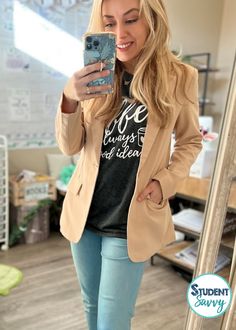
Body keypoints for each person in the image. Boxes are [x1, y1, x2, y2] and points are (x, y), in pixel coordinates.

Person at [55, 0, 202, 329]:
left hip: (131, 215)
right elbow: (70, 145)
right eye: (109, 23)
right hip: (86, 214)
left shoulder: (179, 76)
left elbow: (191, 140)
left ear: (151, 20)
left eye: (131, 20)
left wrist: (164, 182)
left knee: (113, 319)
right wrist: (69, 98)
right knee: (91, 305)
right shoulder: (97, 69)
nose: (119, 33)